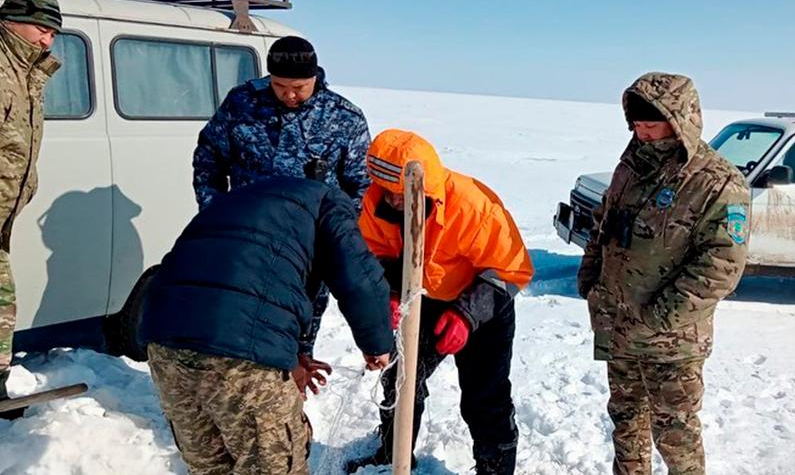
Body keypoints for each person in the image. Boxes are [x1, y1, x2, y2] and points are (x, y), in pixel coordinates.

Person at [141, 176, 393, 474]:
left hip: (164, 343)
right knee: (272, 466)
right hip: (241, 359)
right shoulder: (329, 203)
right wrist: (377, 345)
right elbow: (359, 278)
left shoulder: (241, 200)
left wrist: (291, 354)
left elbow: (254, 276)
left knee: (210, 467)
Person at [577, 72, 750, 475]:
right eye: (636, 125)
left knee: (677, 438)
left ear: (679, 119)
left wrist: (660, 316)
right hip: (619, 328)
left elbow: (722, 263)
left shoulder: (717, 182)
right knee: (626, 426)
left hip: (671, 342)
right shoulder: (631, 167)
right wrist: (590, 277)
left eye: (651, 125)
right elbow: (603, 223)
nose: (642, 134)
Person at [347, 129, 534, 474]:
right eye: (388, 193)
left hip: (482, 304)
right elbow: (374, 255)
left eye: (400, 194)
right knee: (400, 381)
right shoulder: (376, 203)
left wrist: (467, 315)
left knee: (485, 397)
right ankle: (392, 455)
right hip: (418, 301)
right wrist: (386, 295)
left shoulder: (474, 205)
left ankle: (495, 470)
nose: (394, 201)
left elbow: (512, 270)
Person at [192, 35, 373, 366]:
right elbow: (208, 160)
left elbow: (360, 184)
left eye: (299, 87)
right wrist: (215, 213)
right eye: (279, 85)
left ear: (315, 77)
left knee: (296, 336)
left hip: (307, 251)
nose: (290, 95)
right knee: (237, 325)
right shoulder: (241, 104)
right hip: (246, 242)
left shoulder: (344, 117)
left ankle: (290, 395)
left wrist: (335, 234)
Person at [0, 0, 62, 419]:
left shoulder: (25, 70)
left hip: (4, 213)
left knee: (2, 300)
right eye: (41, 28)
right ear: (12, 20)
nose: (47, 39)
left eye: (53, 32)